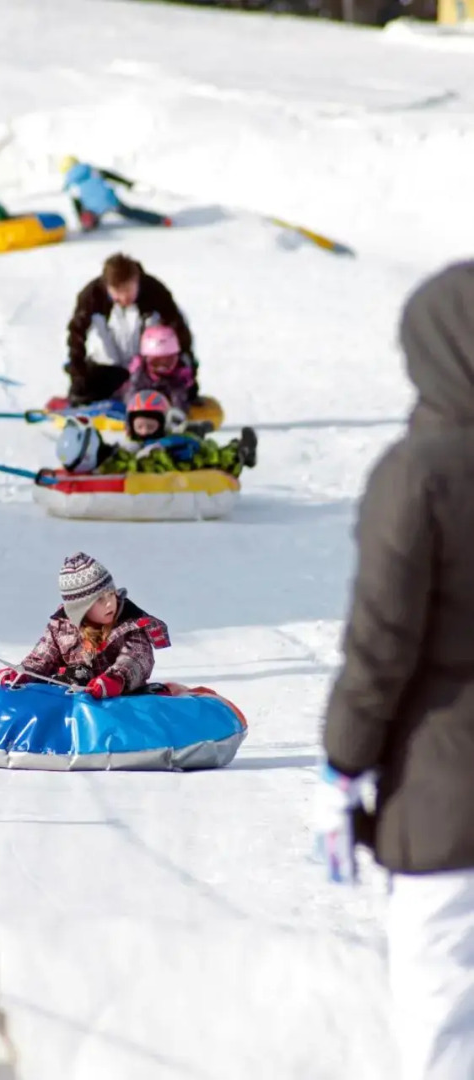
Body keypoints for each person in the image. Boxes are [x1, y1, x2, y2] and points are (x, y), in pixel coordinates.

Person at [318, 261, 474, 1080]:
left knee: (443, 1023)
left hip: (446, 799)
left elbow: (380, 644)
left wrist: (342, 762)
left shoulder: (419, 473)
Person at [0, 552, 170, 698]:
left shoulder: (132, 625)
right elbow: (40, 659)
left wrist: (116, 679)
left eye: (111, 595)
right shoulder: (60, 628)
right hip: (74, 702)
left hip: (120, 700)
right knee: (74, 675)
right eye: (99, 600)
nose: (109, 604)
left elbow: (136, 659)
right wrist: (21, 673)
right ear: (80, 610)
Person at [65, 252, 198, 405]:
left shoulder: (155, 291)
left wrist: (189, 373)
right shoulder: (92, 296)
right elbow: (76, 337)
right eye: (117, 294)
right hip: (109, 367)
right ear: (107, 287)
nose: (123, 299)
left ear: (137, 281)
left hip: (146, 369)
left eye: (128, 292)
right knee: (89, 383)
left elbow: (179, 331)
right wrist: (78, 376)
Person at [55, 391, 257, 477]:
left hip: (179, 459)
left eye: (150, 427)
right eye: (140, 427)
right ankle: (197, 429)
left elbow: (147, 465)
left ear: (161, 426)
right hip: (152, 455)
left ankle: (241, 450)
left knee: (210, 454)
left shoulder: (167, 447)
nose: (144, 432)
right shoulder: (129, 445)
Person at [59, 155, 172, 231]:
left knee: (89, 215)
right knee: (131, 212)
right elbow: (112, 176)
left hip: (92, 208)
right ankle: (161, 220)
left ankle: (89, 223)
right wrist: (128, 183)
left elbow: (76, 202)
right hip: (110, 200)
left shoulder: (71, 183)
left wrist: (81, 219)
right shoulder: (93, 170)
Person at [125, 325, 196, 413]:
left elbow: (180, 403)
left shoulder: (180, 376)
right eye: (156, 362)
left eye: (168, 362)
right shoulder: (139, 374)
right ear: (145, 359)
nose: (161, 368)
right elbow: (130, 397)